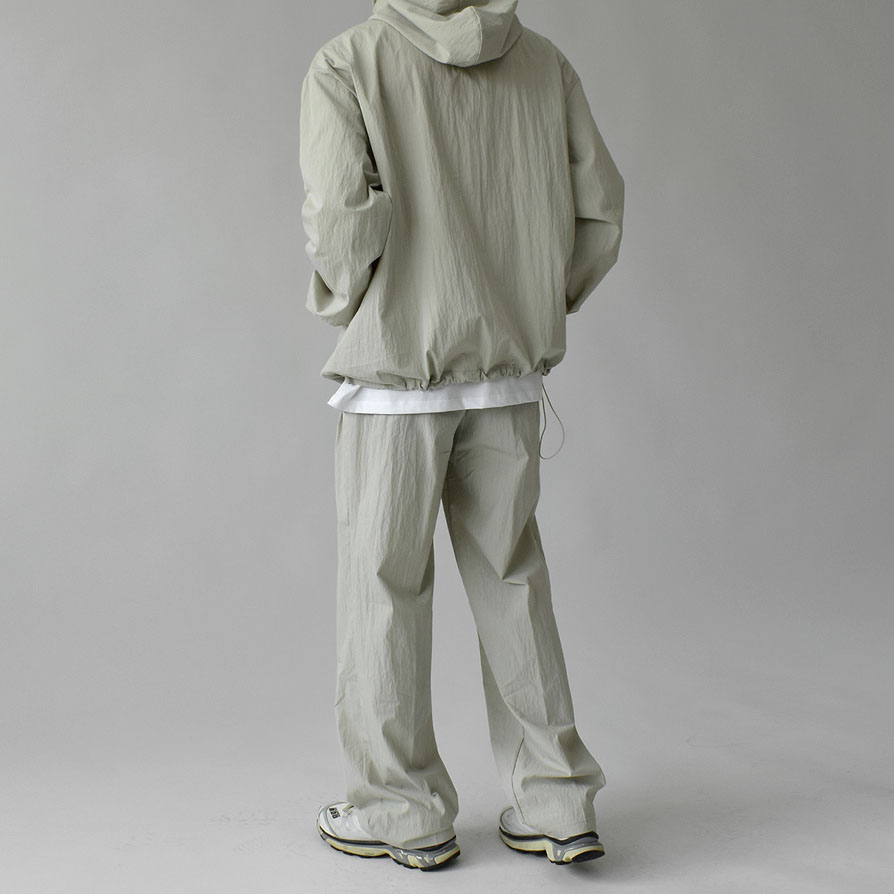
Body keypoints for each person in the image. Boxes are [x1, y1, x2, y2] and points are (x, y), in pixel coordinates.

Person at [299, 0, 624, 871]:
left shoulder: (349, 61)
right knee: (512, 578)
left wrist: (353, 304)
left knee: (384, 590)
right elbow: (600, 211)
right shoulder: (543, 63)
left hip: (397, 378)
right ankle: (557, 800)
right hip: (505, 376)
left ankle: (402, 811)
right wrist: (529, 302)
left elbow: (340, 222)